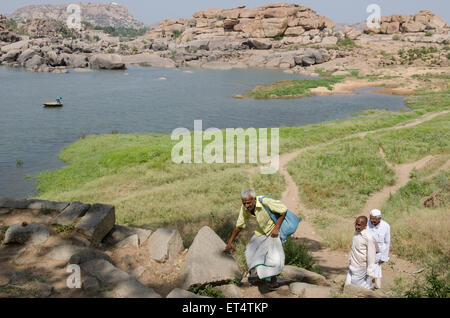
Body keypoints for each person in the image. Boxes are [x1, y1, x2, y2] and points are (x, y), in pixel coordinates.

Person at [224, 189, 287, 289]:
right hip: (261, 231)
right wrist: (230, 242)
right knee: (250, 251)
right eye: (244, 203)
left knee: (273, 255)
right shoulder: (244, 208)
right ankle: (261, 277)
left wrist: (276, 228)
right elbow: (239, 226)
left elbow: (283, 210)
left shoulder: (264, 201)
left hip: (273, 231)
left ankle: (273, 281)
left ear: (254, 199)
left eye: (248, 203)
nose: (246, 206)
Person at [345, 216, 377, 289]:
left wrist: (370, 271)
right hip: (352, 264)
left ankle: (370, 292)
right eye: (356, 224)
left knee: (356, 286)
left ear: (365, 226)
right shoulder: (356, 232)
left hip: (360, 267)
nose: (356, 226)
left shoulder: (368, 237)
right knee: (347, 285)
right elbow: (353, 248)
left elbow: (371, 256)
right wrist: (350, 259)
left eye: (359, 225)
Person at [368, 209, 390, 289]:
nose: (372, 221)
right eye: (371, 219)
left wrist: (384, 257)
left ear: (379, 218)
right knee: (368, 271)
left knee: (377, 271)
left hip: (379, 254)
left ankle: (376, 289)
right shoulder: (367, 223)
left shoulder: (386, 226)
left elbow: (387, 242)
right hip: (368, 252)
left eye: (374, 219)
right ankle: (368, 287)